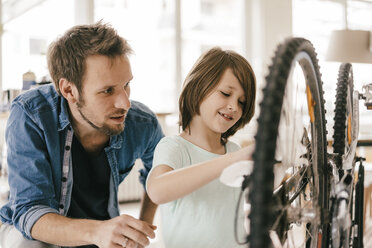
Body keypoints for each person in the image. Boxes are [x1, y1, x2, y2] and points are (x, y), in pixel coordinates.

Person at [0, 22, 164, 248]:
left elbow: (158, 174)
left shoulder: (141, 122)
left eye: (126, 85)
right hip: (38, 231)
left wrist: (140, 230)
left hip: (99, 231)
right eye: (107, 90)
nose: (125, 103)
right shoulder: (31, 114)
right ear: (69, 90)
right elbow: (30, 212)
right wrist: (97, 232)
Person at [146, 47, 256, 248]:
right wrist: (233, 160)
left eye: (241, 102)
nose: (234, 107)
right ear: (198, 87)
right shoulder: (175, 147)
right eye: (225, 93)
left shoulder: (233, 149)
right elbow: (157, 191)